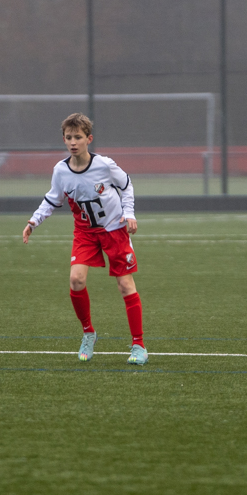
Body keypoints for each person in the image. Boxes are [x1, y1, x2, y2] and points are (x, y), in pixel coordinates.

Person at [22, 113, 147, 366]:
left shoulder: (105, 165)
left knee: (125, 285)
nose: (73, 142)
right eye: (68, 137)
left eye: (78, 137)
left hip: (114, 230)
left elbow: (127, 185)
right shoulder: (60, 170)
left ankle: (138, 345)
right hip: (85, 233)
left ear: (89, 139)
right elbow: (52, 199)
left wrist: (129, 213)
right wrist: (34, 221)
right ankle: (88, 333)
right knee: (76, 280)